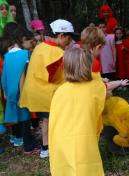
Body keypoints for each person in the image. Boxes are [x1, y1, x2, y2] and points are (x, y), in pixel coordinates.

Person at [19, 19, 76, 158]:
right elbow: (56, 77)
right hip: (46, 95)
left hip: (35, 92)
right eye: (69, 38)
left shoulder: (40, 46)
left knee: (45, 120)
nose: (70, 42)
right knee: (53, 120)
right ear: (61, 36)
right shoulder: (57, 53)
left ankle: (45, 148)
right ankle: (55, 145)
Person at [49, 47, 106, 176]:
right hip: (85, 137)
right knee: (86, 168)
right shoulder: (96, 87)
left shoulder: (60, 91)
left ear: (66, 67)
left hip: (62, 139)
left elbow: (55, 120)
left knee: (66, 169)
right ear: (88, 65)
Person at [1, 25, 39, 154]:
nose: (31, 44)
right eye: (30, 41)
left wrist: (5, 92)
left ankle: (27, 142)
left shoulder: (7, 55)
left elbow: (4, 76)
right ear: (23, 39)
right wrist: (23, 95)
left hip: (11, 93)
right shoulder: (24, 54)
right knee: (25, 120)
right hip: (20, 92)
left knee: (20, 119)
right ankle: (29, 146)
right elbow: (22, 76)